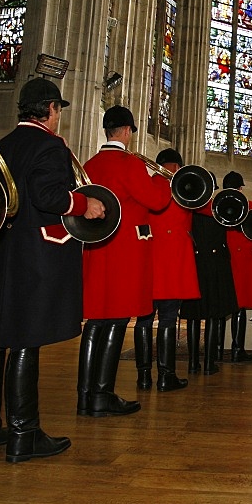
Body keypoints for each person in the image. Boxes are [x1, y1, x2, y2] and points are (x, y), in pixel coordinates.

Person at [0, 77, 105, 464]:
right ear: (50, 109)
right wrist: (83, 205)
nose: (58, 116)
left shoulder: (5, 143)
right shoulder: (50, 145)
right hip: (36, 255)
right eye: (58, 109)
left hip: (2, 253)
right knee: (26, 340)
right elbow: (48, 196)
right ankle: (24, 433)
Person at [78, 106, 170, 414]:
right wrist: (160, 178)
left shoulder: (90, 163)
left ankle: (84, 395)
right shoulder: (129, 164)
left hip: (95, 250)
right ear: (128, 131)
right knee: (117, 320)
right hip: (124, 253)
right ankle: (102, 395)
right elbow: (156, 202)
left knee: (95, 322)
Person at [147, 149, 200, 391]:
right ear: (179, 165)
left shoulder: (147, 184)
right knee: (168, 318)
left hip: (147, 260)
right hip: (175, 262)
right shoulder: (185, 187)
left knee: (144, 319)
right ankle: (166, 376)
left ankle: (143, 376)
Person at [182, 174, 239, 376]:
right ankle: (208, 362)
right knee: (215, 313)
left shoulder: (187, 207)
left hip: (195, 264)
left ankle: (192, 363)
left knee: (193, 315)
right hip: (217, 264)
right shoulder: (219, 207)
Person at [222, 170, 252, 363]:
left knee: (220, 306)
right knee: (240, 306)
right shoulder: (251, 207)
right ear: (240, 188)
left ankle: (217, 349)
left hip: (223, 258)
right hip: (243, 259)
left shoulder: (215, 207)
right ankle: (238, 349)